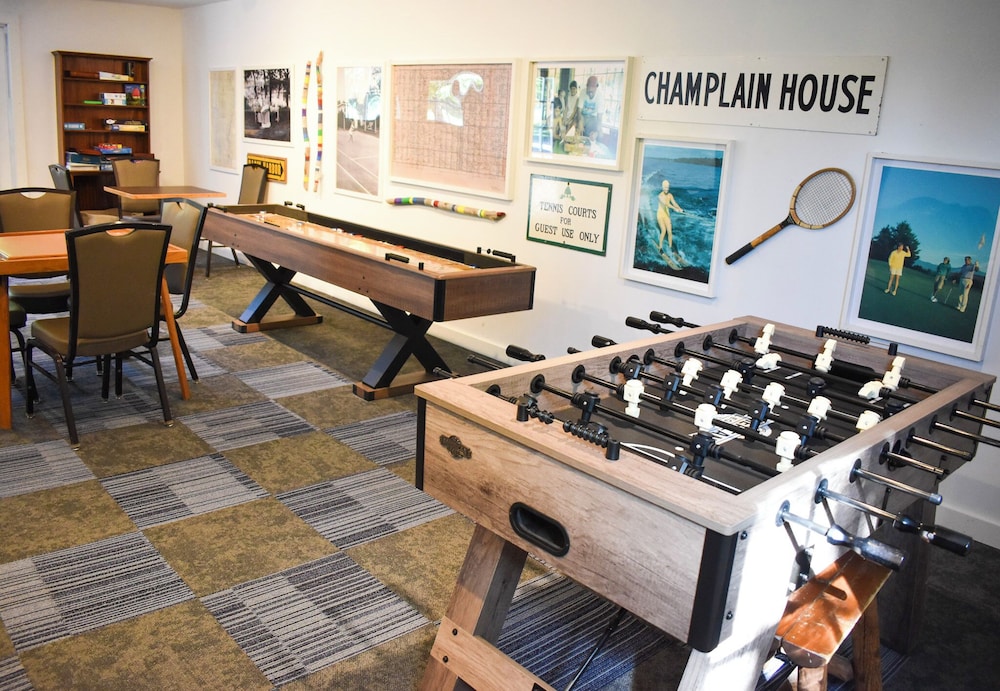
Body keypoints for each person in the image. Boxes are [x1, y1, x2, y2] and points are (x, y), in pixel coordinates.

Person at [655, 179, 684, 256]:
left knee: (670, 232)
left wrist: (679, 208)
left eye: (667, 187)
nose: (666, 189)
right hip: (660, 215)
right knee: (663, 230)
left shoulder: (670, 195)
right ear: (662, 187)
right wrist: (675, 209)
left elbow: (674, 203)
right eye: (665, 187)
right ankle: (660, 248)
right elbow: (666, 204)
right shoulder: (660, 196)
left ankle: (670, 247)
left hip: (666, 215)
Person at [580, 75, 604, 143]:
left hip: (593, 118)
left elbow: (599, 118)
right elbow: (579, 111)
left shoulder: (600, 97)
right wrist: (580, 122)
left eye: (592, 92)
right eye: (588, 92)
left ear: (596, 87)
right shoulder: (582, 92)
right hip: (583, 116)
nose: (590, 94)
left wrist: (597, 131)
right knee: (578, 126)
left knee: (600, 134)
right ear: (586, 86)